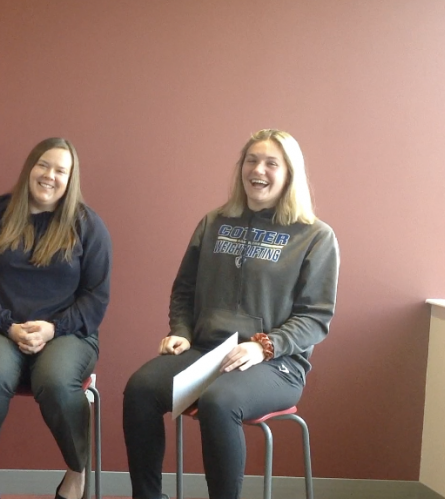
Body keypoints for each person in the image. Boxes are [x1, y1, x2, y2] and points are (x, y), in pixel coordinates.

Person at [123, 129, 339, 499]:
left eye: (272, 163)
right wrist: (182, 331)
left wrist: (263, 346)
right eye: (252, 160)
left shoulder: (316, 237)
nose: (259, 169)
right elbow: (184, 289)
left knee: (219, 401)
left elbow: (315, 317)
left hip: (276, 364)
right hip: (206, 352)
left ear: (289, 174)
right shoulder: (214, 223)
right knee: (139, 390)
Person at [0, 138, 112, 499]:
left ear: (71, 179)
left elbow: (97, 297)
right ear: (30, 167)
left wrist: (54, 328)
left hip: (70, 334)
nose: (49, 175)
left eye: (61, 170)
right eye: (44, 165)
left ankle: (76, 475)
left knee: (58, 383)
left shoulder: (88, 226)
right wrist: (9, 326)